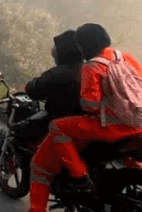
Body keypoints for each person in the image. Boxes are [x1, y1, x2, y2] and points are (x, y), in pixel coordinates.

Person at [28, 23, 142, 212]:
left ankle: (80, 177)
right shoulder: (126, 57)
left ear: (83, 46)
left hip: (111, 127)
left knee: (54, 134)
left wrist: (104, 106)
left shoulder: (92, 67)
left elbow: (90, 105)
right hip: (136, 124)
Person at [24, 30, 85, 136]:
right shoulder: (91, 70)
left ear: (61, 52)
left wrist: (31, 85)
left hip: (57, 124)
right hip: (84, 126)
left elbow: (34, 89)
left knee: (25, 130)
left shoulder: (56, 74)